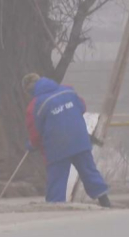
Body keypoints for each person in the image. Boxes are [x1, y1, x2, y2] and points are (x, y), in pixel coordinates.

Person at [22, 73, 111, 207]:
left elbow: (35, 131)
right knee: (88, 170)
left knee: (57, 177)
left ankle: (56, 206)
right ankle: (104, 200)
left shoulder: (35, 105)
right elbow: (82, 107)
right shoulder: (68, 90)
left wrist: (32, 144)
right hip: (80, 139)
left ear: (29, 90)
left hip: (57, 145)